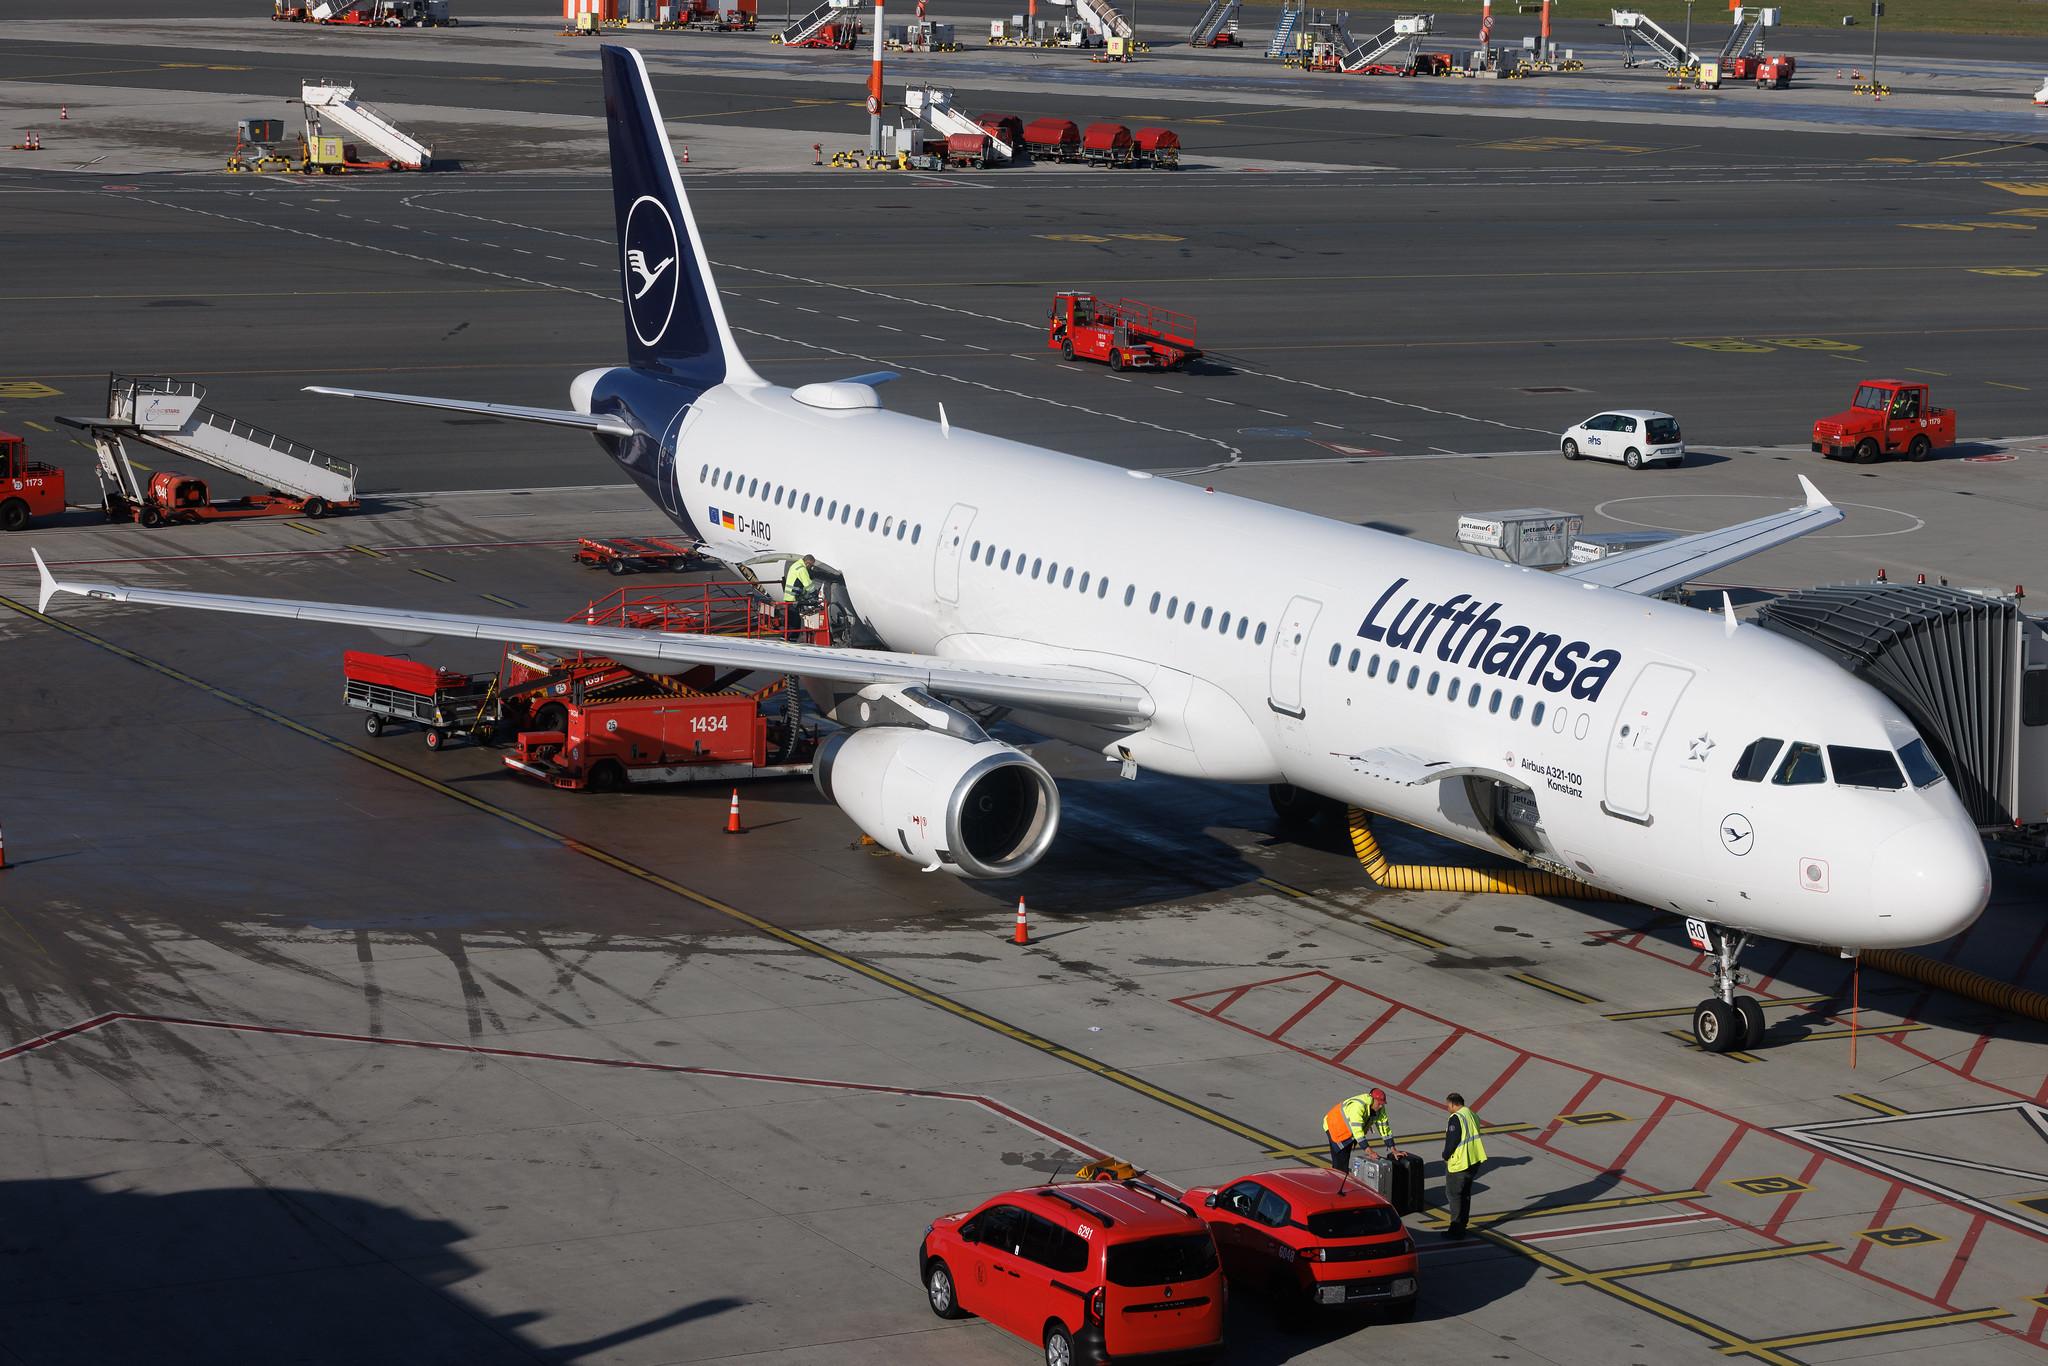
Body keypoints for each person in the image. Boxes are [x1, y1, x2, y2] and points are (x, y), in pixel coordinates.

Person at [1441, 1091, 1488, 1238]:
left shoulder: (1456, 1118)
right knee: (1465, 1194)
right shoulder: (1472, 1114)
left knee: (1454, 1195)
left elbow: (1453, 1140)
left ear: (1454, 1104)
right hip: (1474, 1160)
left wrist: (1445, 1155)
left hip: (1460, 1162)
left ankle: (1456, 1229)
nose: (1447, 1109)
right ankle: (1463, 1225)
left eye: (1448, 1106)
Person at [1322, 1087, 1391, 1174]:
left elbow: (1384, 1126)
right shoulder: (1358, 1107)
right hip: (1336, 1128)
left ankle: (1339, 1177)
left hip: (1350, 1133)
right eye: (1379, 1103)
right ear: (1373, 1100)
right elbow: (1358, 1132)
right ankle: (1337, 1180)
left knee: (1343, 1162)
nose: (1381, 1106)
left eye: (1382, 1104)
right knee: (1340, 1166)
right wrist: (1369, 1152)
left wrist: (1393, 1148)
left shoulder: (1379, 1108)